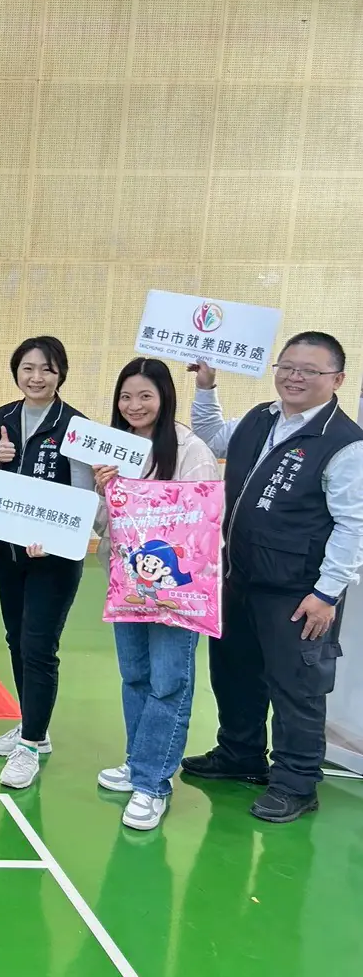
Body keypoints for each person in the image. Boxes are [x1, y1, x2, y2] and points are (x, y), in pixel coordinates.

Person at [182, 332, 362, 822]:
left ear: (337, 380)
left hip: (298, 591)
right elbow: (212, 435)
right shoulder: (261, 417)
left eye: (310, 370)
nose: (295, 377)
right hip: (240, 577)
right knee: (234, 671)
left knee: (295, 687)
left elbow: (354, 525)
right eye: (288, 366)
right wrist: (206, 387)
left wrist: (326, 593)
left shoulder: (345, 444)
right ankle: (239, 754)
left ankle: (296, 783)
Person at [91, 358, 219, 831]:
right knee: (136, 676)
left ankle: (153, 784)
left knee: (169, 681)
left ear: (165, 397)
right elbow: (102, 525)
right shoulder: (113, 450)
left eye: (145, 395)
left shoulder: (190, 449)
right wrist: (105, 492)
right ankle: (138, 761)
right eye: (126, 397)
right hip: (127, 584)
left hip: (175, 590)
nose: (134, 405)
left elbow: (204, 521)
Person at [0, 335, 94, 789]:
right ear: (16, 372)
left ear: (60, 374)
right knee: (15, 639)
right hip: (10, 550)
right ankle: (34, 726)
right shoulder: (5, 416)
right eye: (28, 368)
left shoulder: (76, 425)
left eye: (46, 369)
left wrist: (56, 539)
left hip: (54, 557)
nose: (36, 377)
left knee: (38, 645)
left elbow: (84, 495)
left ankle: (30, 746)